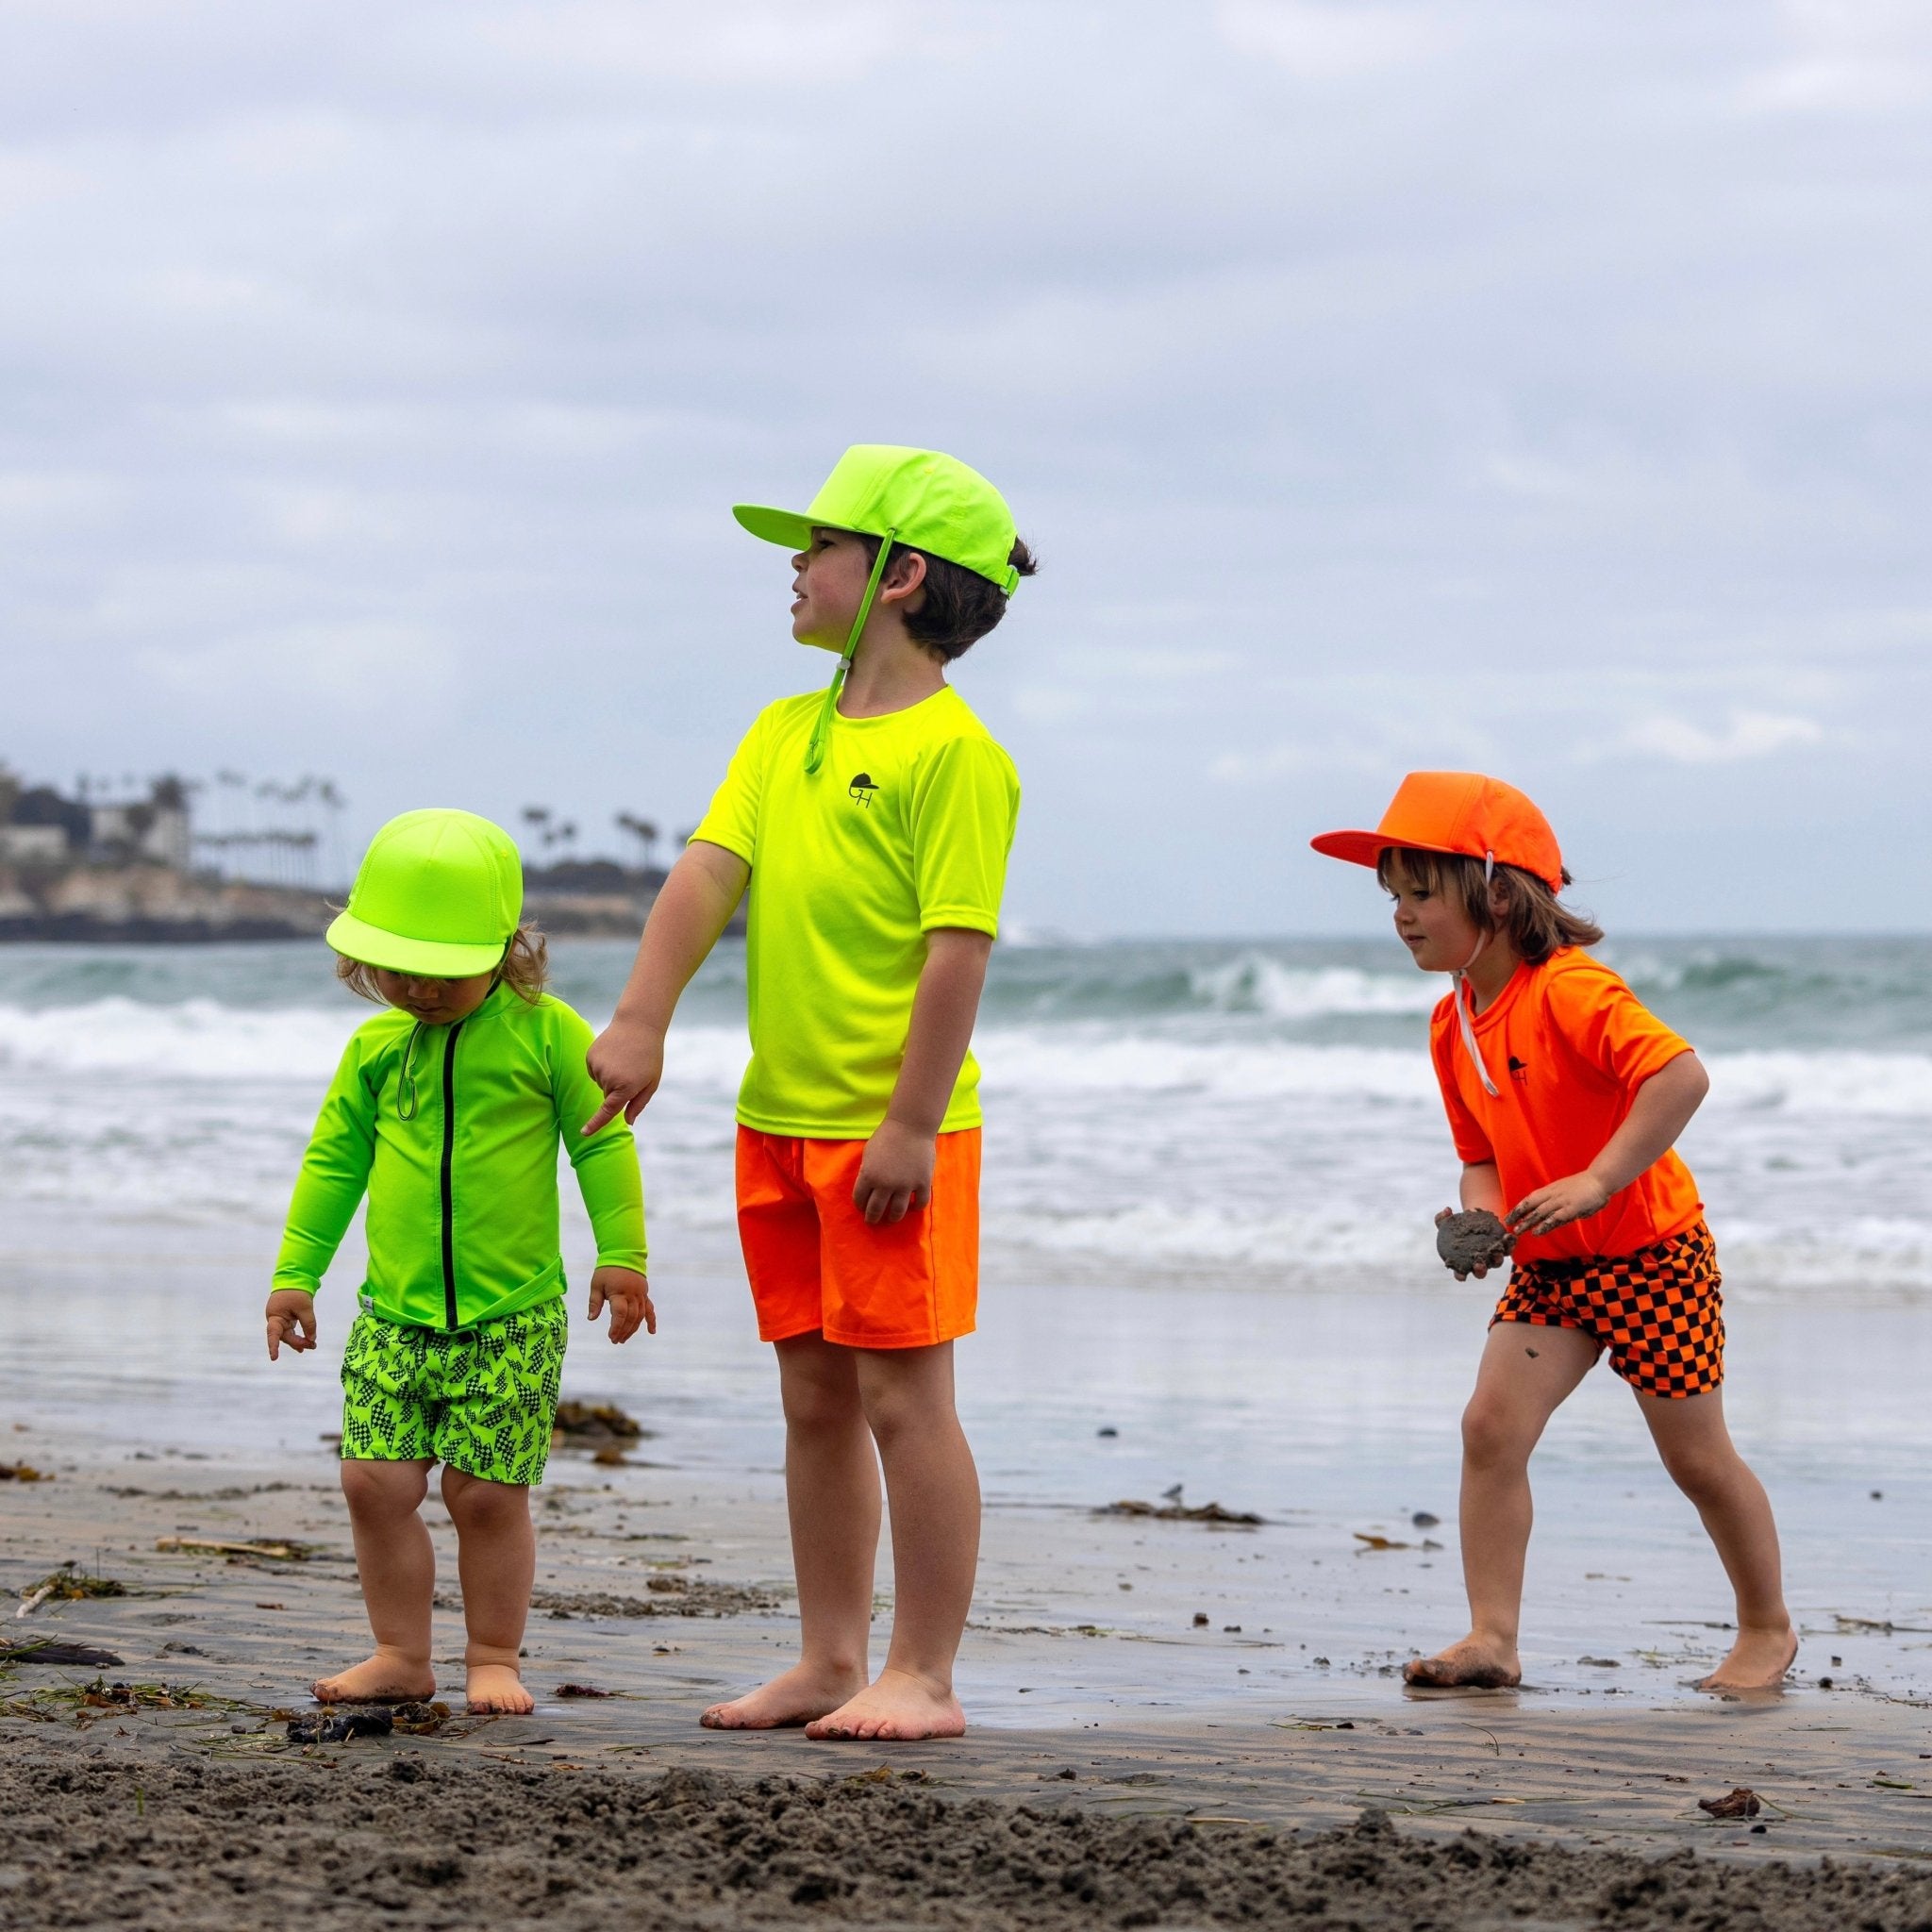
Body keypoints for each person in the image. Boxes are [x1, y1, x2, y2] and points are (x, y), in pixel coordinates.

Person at [583, 445, 1032, 1740]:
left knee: (905, 1400)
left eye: (820, 542)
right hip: (775, 1122)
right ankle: (831, 1658)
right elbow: (705, 873)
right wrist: (641, 1018)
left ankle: (923, 1675)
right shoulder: (786, 731)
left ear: (899, 577)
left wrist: (909, 1122)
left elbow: (957, 952)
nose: (795, 562)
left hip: (889, 1136)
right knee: (813, 1399)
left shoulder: (957, 755)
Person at [1311, 772, 1795, 1692]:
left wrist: (1598, 1179)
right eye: (1392, 895)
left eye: (1421, 892)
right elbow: (1480, 1155)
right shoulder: (1451, 1022)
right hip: (1549, 1266)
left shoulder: (1570, 989)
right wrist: (1482, 1219)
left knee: (1696, 1459)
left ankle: (1765, 1627)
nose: (1401, 915)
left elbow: (1680, 1076)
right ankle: (1491, 1636)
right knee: (1489, 1427)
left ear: (1496, 895)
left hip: (1652, 1256)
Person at [265, 808, 653, 1715]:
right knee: (372, 1484)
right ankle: (401, 1653)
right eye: (398, 969)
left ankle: (492, 1657)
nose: (419, 990)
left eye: (442, 971)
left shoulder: (548, 1034)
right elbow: (334, 1164)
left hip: (510, 1316)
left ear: (508, 951)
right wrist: (295, 1275)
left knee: (483, 1496)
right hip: (393, 1315)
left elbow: (600, 1140)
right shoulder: (373, 1050)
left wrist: (622, 1253)